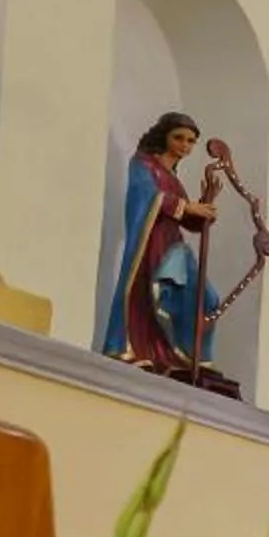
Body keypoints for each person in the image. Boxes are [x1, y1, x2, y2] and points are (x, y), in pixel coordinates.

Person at [101, 112, 224, 376]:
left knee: (207, 298)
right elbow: (147, 196)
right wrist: (188, 206)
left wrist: (204, 206)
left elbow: (187, 221)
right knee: (146, 293)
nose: (184, 145)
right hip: (149, 243)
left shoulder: (174, 179)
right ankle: (139, 349)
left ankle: (182, 356)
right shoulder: (143, 164)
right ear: (164, 135)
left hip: (172, 247)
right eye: (178, 137)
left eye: (190, 141)